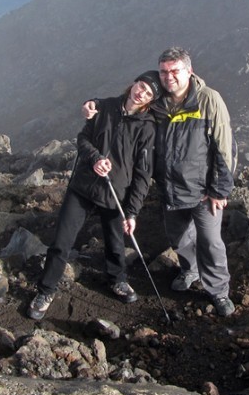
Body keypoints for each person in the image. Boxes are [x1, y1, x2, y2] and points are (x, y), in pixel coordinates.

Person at [86, 48, 238, 316]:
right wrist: (95, 103)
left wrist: (219, 189)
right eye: (164, 71)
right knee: (178, 239)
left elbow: (225, 147)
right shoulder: (158, 102)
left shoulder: (208, 100)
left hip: (203, 192)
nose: (169, 77)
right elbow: (128, 105)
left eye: (175, 71)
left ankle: (218, 292)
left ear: (189, 71)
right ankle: (189, 270)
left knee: (210, 242)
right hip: (170, 188)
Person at [27, 71, 160, 321]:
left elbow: (143, 173)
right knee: (62, 241)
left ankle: (117, 280)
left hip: (115, 192)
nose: (140, 92)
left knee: (116, 243)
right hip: (84, 186)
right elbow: (83, 138)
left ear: (150, 100)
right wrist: (95, 158)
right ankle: (46, 291)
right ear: (133, 83)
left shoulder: (147, 128)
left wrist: (132, 211)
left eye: (148, 93)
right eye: (140, 85)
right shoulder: (106, 106)